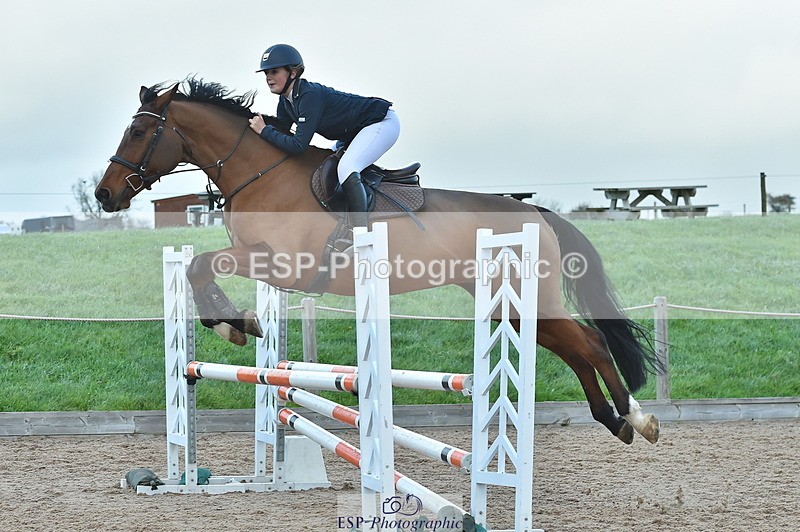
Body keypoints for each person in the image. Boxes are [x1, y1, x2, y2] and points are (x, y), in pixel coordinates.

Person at [248, 44, 400, 231]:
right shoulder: (285, 101)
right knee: (328, 165)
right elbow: (282, 137)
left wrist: (265, 131)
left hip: (381, 122)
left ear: (293, 73)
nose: (268, 78)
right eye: (266, 73)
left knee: (347, 167)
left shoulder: (309, 95)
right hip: (355, 131)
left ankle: (361, 233)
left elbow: (298, 146)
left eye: (274, 71)